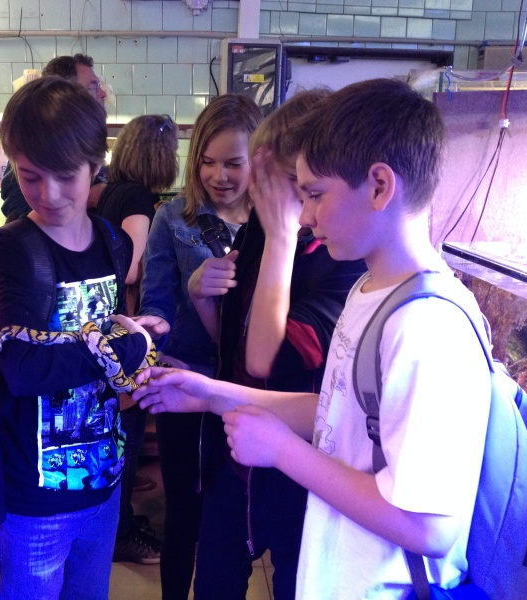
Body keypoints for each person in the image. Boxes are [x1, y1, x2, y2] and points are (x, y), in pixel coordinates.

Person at [133, 78, 491, 598]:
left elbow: (431, 529)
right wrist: (211, 394)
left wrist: (283, 451)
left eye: (315, 195)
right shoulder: (371, 290)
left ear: (379, 186)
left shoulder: (426, 326)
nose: (302, 215)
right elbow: (335, 411)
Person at [185, 90, 367, 599]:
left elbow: (265, 359)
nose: (263, 192)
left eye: (288, 183)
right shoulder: (262, 233)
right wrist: (199, 294)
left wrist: (283, 237)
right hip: (236, 453)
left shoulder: (342, 259)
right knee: (214, 582)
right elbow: (233, 343)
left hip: (300, 471)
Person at [0, 76, 153, 599]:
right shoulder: (10, 249)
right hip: (33, 496)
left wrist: (137, 346)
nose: (48, 194)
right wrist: (124, 346)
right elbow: (21, 368)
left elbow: (116, 339)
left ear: (96, 165)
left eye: (65, 176)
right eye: (30, 176)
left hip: (104, 481)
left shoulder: (113, 242)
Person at [135, 94, 263, 599]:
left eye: (233, 163)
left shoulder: (275, 226)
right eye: (207, 162)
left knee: (232, 517)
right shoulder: (173, 218)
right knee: (182, 514)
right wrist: (152, 335)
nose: (218, 176)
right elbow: (156, 303)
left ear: (259, 159)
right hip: (185, 384)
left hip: (246, 390)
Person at [96, 114, 179, 565]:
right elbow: (128, 269)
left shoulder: (113, 191)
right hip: (126, 333)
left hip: (107, 329)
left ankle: (119, 524)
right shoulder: (138, 199)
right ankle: (122, 533)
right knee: (126, 430)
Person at [0, 53, 108, 223]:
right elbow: (15, 207)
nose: (102, 93)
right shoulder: (31, 144)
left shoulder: (110, 237)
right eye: (93, 87)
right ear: (63, 92)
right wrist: (86, 199)